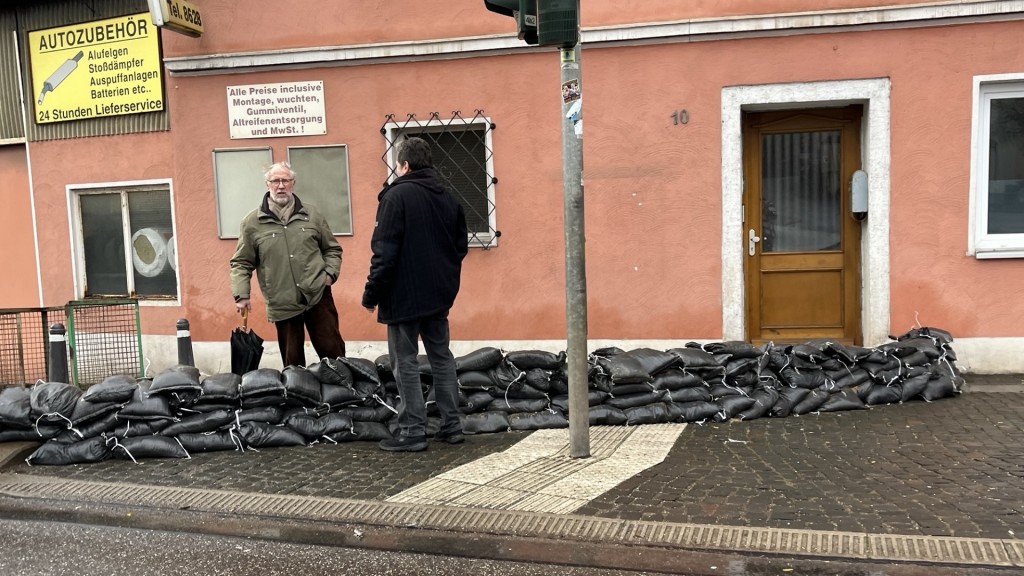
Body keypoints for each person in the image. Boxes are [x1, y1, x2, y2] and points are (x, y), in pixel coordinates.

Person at [362, 137, 469, 452]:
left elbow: (384, 252)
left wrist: (371, 294)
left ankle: (412, 431)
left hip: (403, 297)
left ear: (404, 165)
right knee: (441, 358)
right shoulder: (449, 198)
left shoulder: (396, 198)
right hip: (439, 295)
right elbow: (460, 248)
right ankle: (452, 427)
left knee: (405, 361)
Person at [230, 161, 346, 368]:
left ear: (293, 183)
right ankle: (300, 399)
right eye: (275, 181)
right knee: (293, 364)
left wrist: (329, 275)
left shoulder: (312, 215)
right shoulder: (252, 223)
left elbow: (332, 249)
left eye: (285, 180)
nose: (280, 185)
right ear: (267, 184)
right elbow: (241, 262)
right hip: (282, 302)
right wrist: (242, 295)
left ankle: (341, 397)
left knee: (333, 353)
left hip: (317, 295)